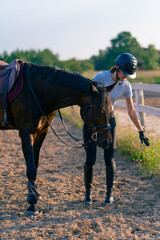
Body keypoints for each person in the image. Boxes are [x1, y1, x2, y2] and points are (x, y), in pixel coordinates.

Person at [83, 53, 150, 205]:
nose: (126, 77)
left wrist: (141, 130)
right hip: (93, 123)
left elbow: (131, 110)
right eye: (125, 74)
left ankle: (109, 194)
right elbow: (86, 98)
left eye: (128, 75)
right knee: (91, 159)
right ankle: (88, 194)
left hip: (108, 122)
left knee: (109, 158)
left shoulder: (126, 86)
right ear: (117, 68)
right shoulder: (100, 77)